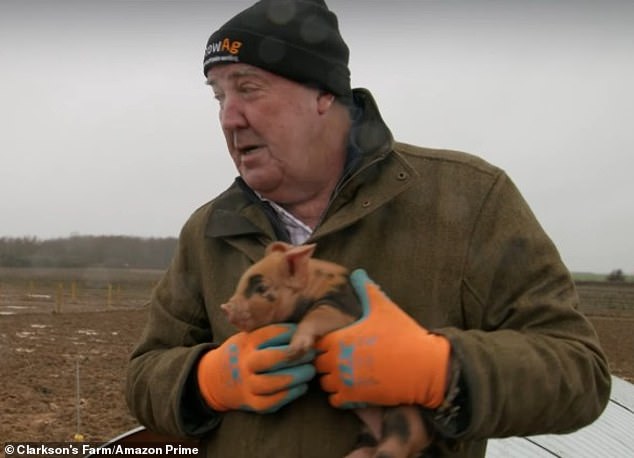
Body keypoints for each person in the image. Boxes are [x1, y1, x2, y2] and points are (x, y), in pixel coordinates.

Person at [125, 1, 611, 456]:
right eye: (219, 96)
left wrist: (441, 370)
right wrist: (204, 381)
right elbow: (145, 375)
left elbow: (579, 372)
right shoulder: (209, 229)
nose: (228, 118)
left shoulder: (471, 198)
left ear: (322, 93)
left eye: (248, 88)